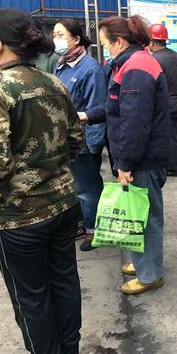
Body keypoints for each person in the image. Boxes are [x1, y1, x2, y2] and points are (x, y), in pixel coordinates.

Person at [0, 9, 84, 353]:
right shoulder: (53, 82)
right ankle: (70, 347)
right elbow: (75, 141)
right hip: (64, 206)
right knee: (65, 282)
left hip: (20, 218)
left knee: (31, 298)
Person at [79, 15, 171, 295]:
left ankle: (150, 275)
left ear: (119, 42)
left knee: (146, 217)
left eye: (106, 44)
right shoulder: (129, 64)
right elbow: (116, 108)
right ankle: (144, 263)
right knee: (138, 215)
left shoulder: (136, 68)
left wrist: (125, 164)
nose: (105, 50)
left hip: (143, 159)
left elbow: (135, 123)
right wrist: (87, 115)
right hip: (139, 156)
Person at [54, 18, 107, 251]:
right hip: (65, 140)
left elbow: (98, 109)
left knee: (88, 188)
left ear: (76, 39)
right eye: (54, 34)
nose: (55, 39)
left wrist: (93, 143)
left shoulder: (90, 69)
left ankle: (95, 230)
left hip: (83, 140)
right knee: (75, 187)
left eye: (61, 35)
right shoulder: (61, 65)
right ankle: (82, 224)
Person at [148, 23, 177, 176]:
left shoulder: (154, 59)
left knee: (171, 135)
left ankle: (173, 168)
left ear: (152, 42)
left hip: (168, 103)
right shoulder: (176, 56)